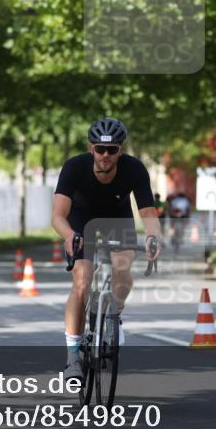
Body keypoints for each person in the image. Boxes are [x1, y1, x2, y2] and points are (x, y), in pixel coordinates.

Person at [51, 117, 163, 380]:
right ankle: (72, 357)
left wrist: (152, 237)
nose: (105, 155)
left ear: (119, 151)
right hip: (80, 222)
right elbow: (58, 215)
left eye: (112, 150)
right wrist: (68, 235)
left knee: (123, 270)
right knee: (82, 281)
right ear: (92, 149)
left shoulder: (134, 169)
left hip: (117, 218)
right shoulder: (74, 167)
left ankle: (114, 316)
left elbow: (147, 212)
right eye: (100, 149)